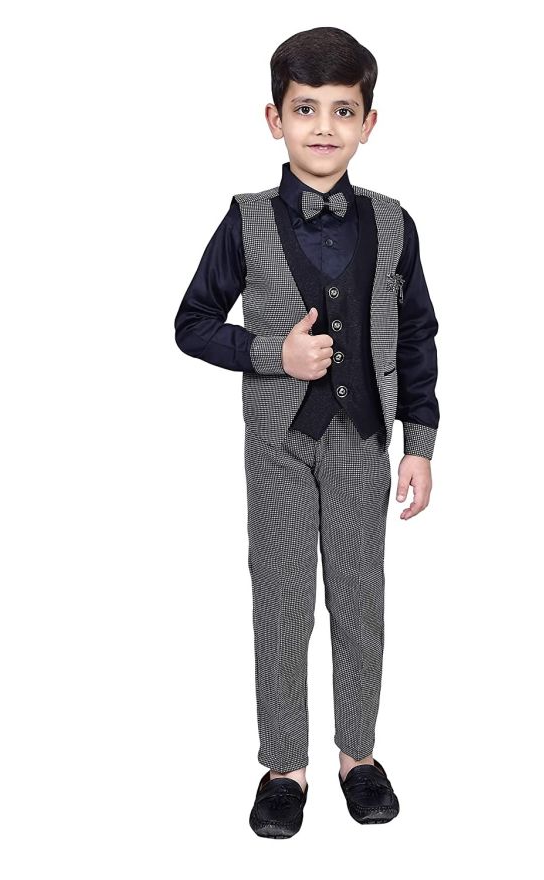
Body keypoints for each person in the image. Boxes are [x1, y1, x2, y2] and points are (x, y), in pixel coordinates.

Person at [174, 26, 440, 838]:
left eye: (342, 110)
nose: (323, 126)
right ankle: (283, 766)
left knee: (361, 599)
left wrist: (420, 443)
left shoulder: (393, 223)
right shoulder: (246, 220)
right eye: (304, 108)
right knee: (283, 600)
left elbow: (418, 335)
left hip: (363, 440)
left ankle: (359, 756)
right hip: (280, 445)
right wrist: (272, 354)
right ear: (274, 118)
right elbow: (191, 323)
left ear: (368, 123)